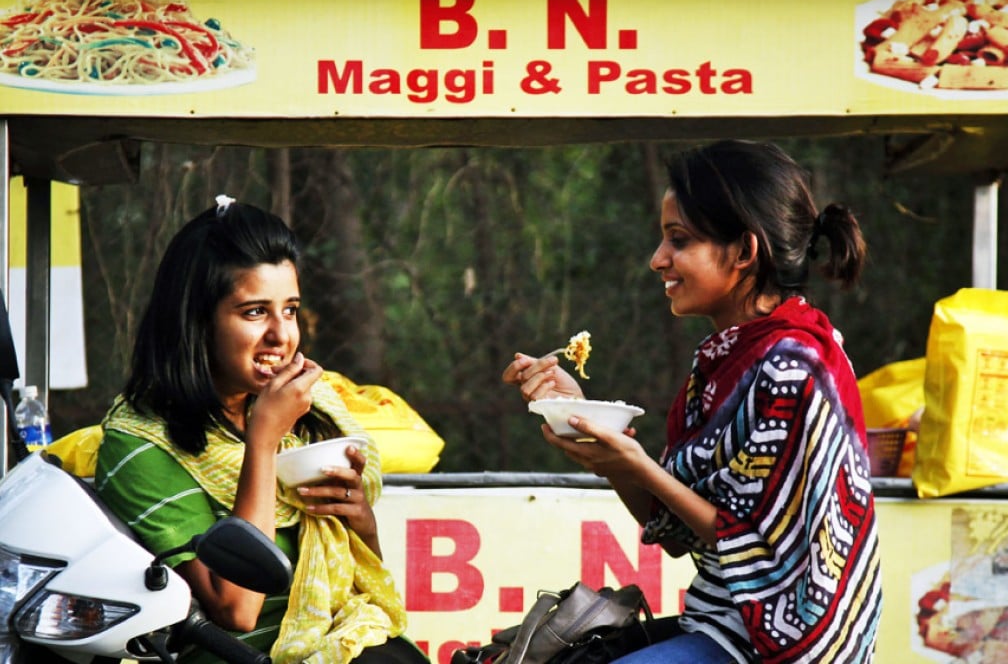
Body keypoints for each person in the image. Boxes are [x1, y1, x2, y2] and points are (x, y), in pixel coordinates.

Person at [503, 140, 883, 663]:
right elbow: (677, 531)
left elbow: (766, 545)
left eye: (678, 241)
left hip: (783, 645)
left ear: (745, 252)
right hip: (721, 619)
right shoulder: (725, 361)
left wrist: (636, 462)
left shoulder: (792, 366)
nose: (658, 260)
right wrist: (598, 442)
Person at [94, 196, 428, 664]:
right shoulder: (140, 442)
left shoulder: (312, 410)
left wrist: (360, 523)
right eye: (254, 312)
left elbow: (356, 576)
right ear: (195, 321)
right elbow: (237, 608)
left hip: (351, 640)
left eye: (289, 310)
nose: (281, 336)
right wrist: (264, 442)